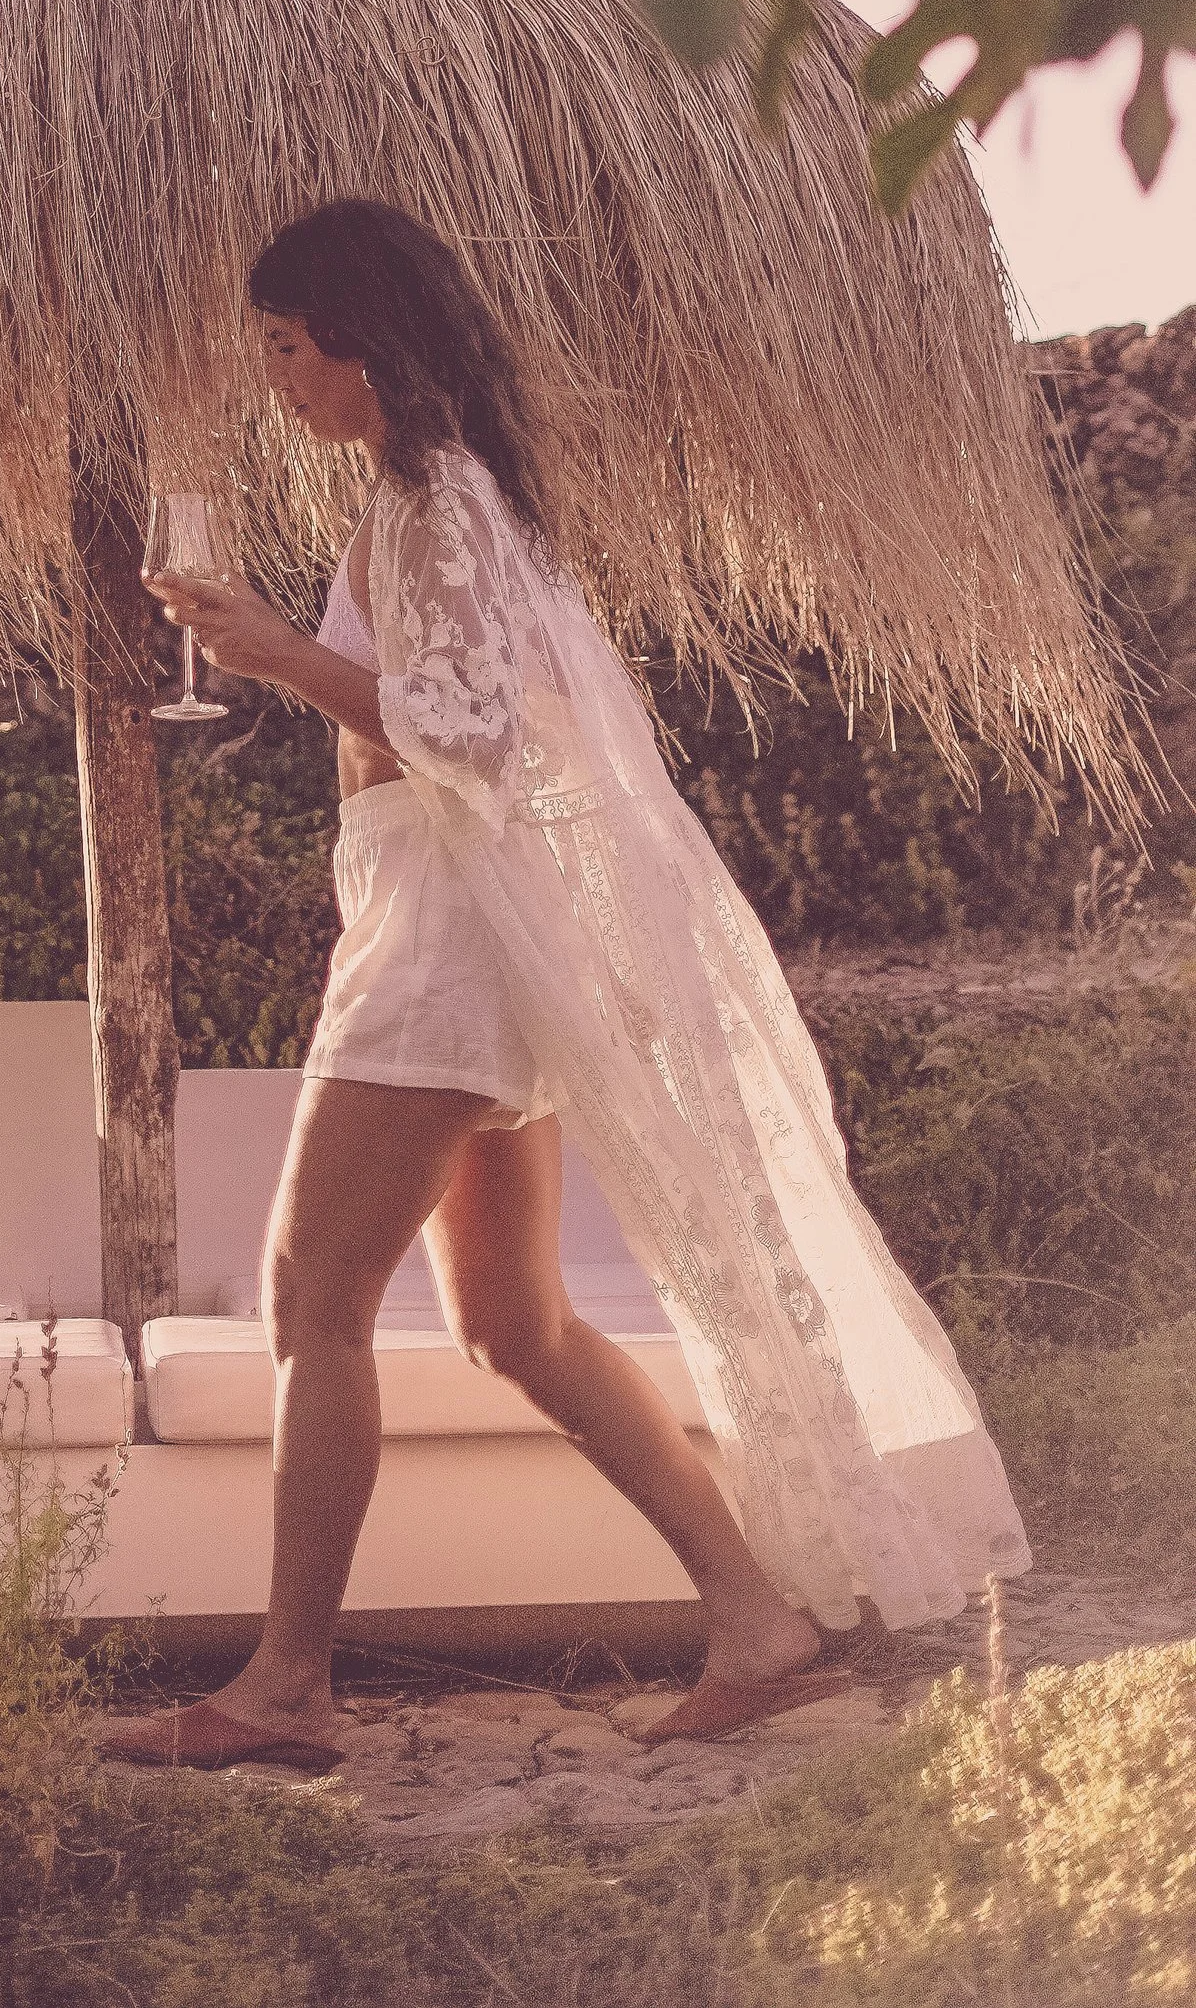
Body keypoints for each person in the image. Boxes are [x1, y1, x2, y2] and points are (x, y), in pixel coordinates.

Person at [106, 198, 1026, 1773]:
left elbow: (466, 732)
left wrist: (264, 649)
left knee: (310, 1296)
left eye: (283, 346)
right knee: (510, 1322)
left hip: (446, 944)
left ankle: (285, 1689)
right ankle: (759, 1623)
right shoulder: (447, 495)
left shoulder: (430, 495)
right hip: (469, 931)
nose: (275, 382)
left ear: (355, 338)